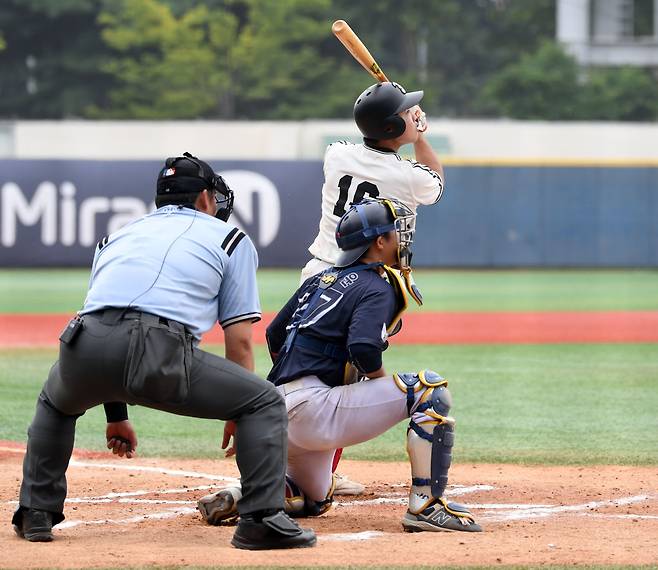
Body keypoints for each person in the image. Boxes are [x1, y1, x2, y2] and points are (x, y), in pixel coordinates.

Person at [11, 152, 316, 551]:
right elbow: (239, 339)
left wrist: (115, 415)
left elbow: (107, 317)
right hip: (158, 350)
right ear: (206, 198)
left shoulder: (116, 236)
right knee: (264, 402)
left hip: (82, 345)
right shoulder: (230, 238)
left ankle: (36, 512)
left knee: (55, 405)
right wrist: (238, 409)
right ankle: (262, 520)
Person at [198, 198, 481, 533]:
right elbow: (362, 347)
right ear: (379, 242)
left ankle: (242, 495)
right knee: (428, 389)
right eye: (395, 233)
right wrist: (376, 382)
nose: (401, 239)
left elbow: (275, 334)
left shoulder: (319, 279)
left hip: (272, 410)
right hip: (313, 411)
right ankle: (426, 506)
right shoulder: (377, 283)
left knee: (314, 498)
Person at [301, 81, 445, 495]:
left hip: (316, 274)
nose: (412, 113)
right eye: (405, 112)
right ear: (389, 127)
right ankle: (317, 474)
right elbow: (435, 182)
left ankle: (315, 469)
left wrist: (402, 125)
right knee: (344, 383)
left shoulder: (336, 153)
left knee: (314, 378)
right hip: (362, 282)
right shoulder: (406, 176)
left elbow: (372, 142)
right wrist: (421, 136)